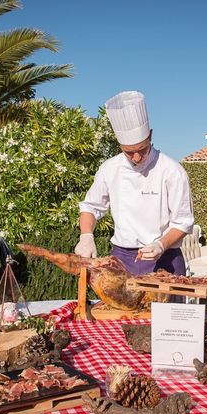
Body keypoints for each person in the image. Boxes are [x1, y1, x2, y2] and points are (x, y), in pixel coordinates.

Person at [75, 90, 194, 277]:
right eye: (129, 152)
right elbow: (90, 206)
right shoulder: (109, 168)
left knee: (167, 307)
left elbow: (184, 222)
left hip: (166, 259)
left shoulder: (172, 171)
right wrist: (86, 236)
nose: (137, 157)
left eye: (142, 149)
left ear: (151, 136)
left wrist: (160, 244)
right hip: (122, 259)